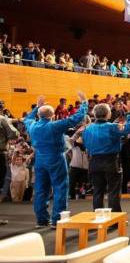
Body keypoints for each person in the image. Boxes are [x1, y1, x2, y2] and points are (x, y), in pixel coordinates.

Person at [23, 92, 88, 228]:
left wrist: (37, 106)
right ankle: (57, 219)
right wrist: (84, 103)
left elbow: (27, 118)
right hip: (56, 158)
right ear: (52, 116)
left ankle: (41, 220)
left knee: (41, 189)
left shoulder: (32, 125)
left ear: (39, 115)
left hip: (40, 159)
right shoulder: (55, 125)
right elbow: (77, 118)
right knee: (60, 187)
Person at [82, 101, 130, 212]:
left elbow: (85, 144)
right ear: (108, 114)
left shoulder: (87, 129)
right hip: (111, 161)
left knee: (97, 191)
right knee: (113, 191)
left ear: (94, 114)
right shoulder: (113, 127)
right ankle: (114, 218)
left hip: (94, 162)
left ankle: (98, 216)